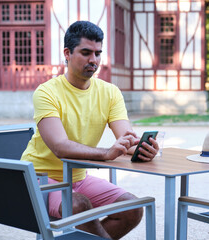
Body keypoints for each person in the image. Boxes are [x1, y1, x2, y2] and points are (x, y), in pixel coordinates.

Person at [21, 20, 159, 239]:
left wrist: (144, 149)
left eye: (97, 53)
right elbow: (60, 147)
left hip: (79, 177)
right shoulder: (46, 92)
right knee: (78, 204)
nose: (93, 60)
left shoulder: (110, 92)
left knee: (132, 208)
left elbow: (126, 140)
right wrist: (106, 153)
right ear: (67, 53)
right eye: (86, 53)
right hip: (41, 178)